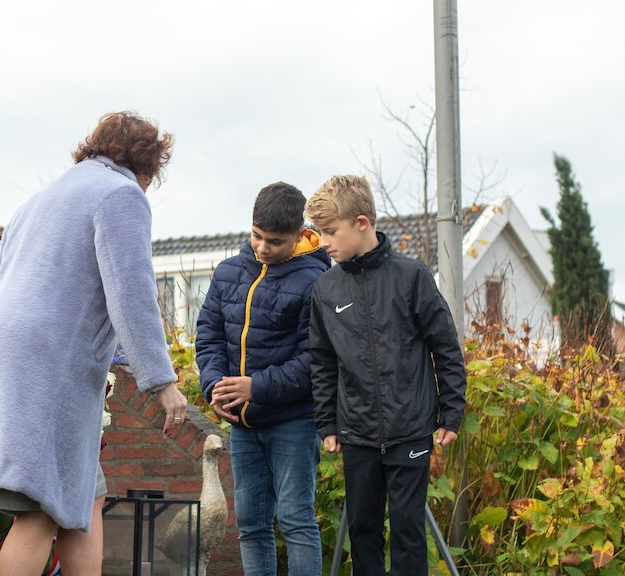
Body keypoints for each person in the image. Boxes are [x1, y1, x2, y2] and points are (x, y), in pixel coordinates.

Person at [0, 111, 189, 575]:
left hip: (5, 358)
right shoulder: (120, 195)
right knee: (40, 512)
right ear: (146, 165)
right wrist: (161, 380)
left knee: (84, 504)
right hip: (45, 371)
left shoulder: (42, 197)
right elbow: (132, 294)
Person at [306, 174, 466, 575]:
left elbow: (445, 346)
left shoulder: (412, 277)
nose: (324, 242)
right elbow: (322, 361)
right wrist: (327, 423)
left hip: (410, 429)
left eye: (330, 231)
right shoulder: (325, 290)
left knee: (409, 532)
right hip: (356, 433)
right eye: (320, 232)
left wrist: (451, 411)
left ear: (362, 223)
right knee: (363, 530)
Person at [196, 182, 330, 574]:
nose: (262, 247)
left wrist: (257, 386)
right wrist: (214, 387)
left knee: (296, 520)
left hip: (294, 421)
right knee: (251, 525)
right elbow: (209, 336)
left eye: (274, 241)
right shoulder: (228, 273)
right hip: (243, 423)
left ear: (298, 235)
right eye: (256, 236)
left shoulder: (316, 281)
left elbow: (315, 359)